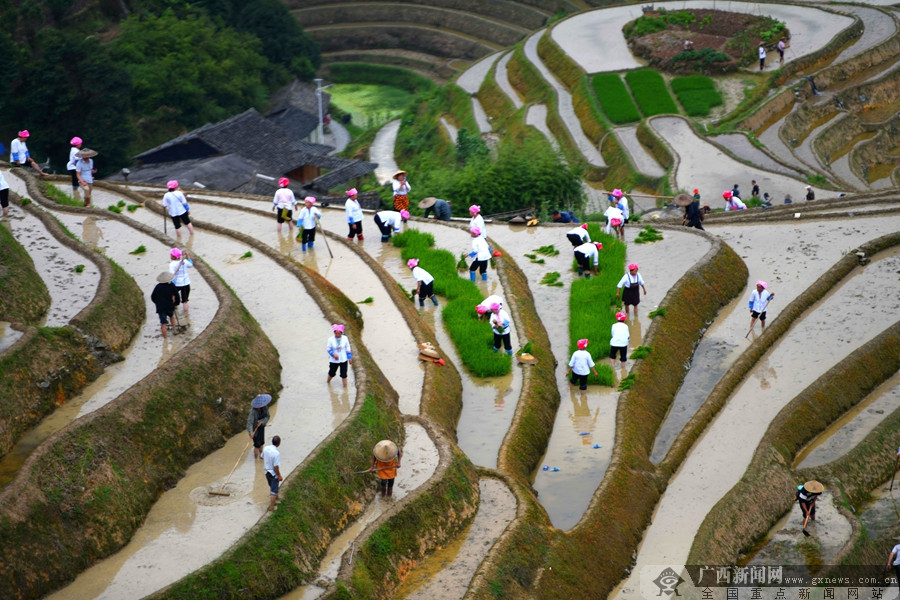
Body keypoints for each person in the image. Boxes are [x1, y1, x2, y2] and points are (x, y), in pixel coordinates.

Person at [150, 271, 177, 338]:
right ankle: (175, 330)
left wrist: (157, 303)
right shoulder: (172, 285)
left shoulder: (158, 287)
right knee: (172, 317)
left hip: (161, 307)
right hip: (169, 305)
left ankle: (165, 339)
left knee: (163, 323)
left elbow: (153, 297)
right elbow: (176, 295)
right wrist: (175, 302)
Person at [169, 247, 194, 317]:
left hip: (176, 284)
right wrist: (188, 257)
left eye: (171, 255)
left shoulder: (172, 264)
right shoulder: (184, 261)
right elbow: (191, 265)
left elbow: (171, 275)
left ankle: (174, 310)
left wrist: (171, 284)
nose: (170, 256)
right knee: (185, 301)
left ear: (173, 256)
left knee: (173, 297)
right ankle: (186, 316)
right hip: (186, 283)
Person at [247, 393, 271, 460]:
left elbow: (267, 416)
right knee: (257, 445)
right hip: (255, 429)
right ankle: (256, 459)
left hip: (261, 427)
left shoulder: (265, 408)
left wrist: (262, 422)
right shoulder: (252, 411)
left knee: (261, 443)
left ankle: (261, 456)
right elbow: (249, 423)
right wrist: (251, 433)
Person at [262, 435, 282, 511]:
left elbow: (262, 456)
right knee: (273, 491)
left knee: (272, 487)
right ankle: (271, 507)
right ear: (279, 443)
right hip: (273, 473)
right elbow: (275, 467)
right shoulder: (276, 453)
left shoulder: (266, 448)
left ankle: (276, 499)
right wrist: (279, 475)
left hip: (266, 472)